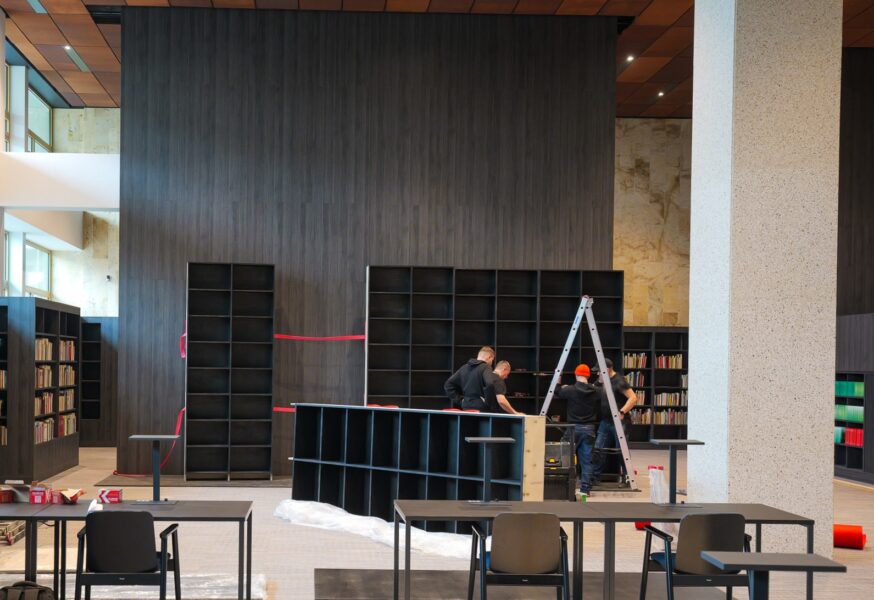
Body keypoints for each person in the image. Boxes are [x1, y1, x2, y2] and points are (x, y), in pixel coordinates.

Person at [559, 364, 601, 497]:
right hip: (589, 429)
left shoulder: (570, 390)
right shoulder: (596, 391)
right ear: (588, 376)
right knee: (587, 460)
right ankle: (585, 489)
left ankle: (564, 486)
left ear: (576, 374)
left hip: (573, 428)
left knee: (565, 456)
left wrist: (559, 378)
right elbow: (603, 394)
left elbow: (557, 391)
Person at [593, 357, 638, 482]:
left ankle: (628, 477)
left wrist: (622, 411)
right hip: (605, 421)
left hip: (619, 422)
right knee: (599, 449)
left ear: (607, 369)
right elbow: (593, 388)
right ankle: (594, 477)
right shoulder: (602, 380)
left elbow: (633, 398)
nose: (597, 373)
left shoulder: (619, 381)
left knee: (621, 450)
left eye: (599, 371)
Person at [444, 346, 495, 411]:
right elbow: (490, 384)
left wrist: (460, 400)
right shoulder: (486, 367)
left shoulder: (464, 367)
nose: (491, 363)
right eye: (492, 360)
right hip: (481, 407)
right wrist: (488, 402)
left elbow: (448, 385)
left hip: (466, 406)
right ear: (489, 357)